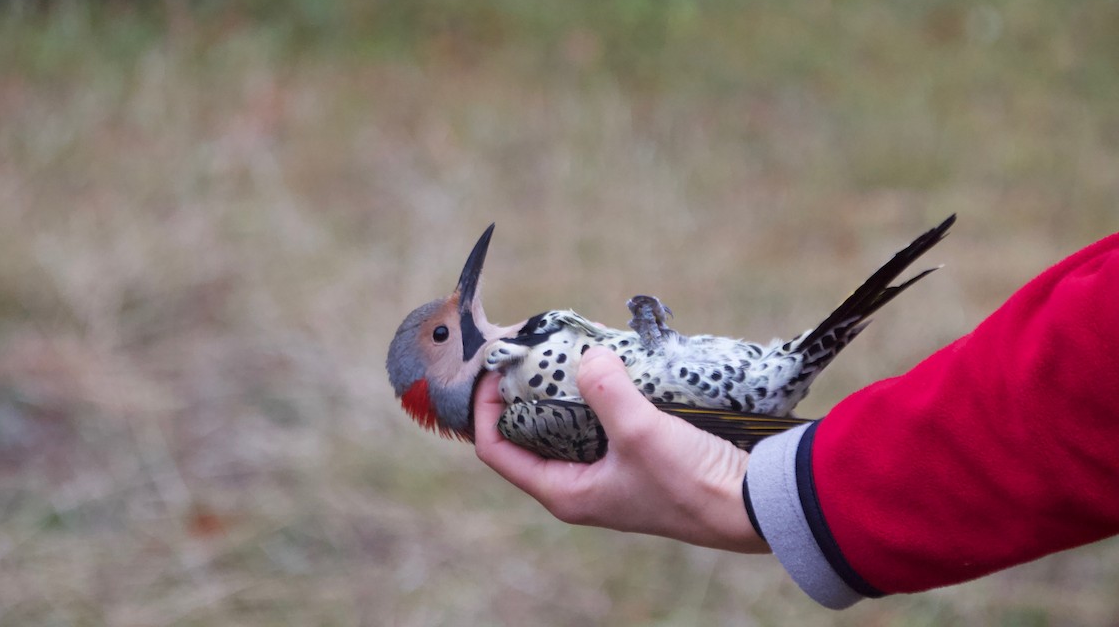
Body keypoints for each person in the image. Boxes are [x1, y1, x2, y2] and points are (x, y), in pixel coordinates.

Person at [473, 228, 1119, 609]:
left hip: (725, 383)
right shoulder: (525, 407)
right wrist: (791, 486)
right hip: (723, 394)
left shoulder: (522, 378)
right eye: (448, 333)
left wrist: (771, 490)